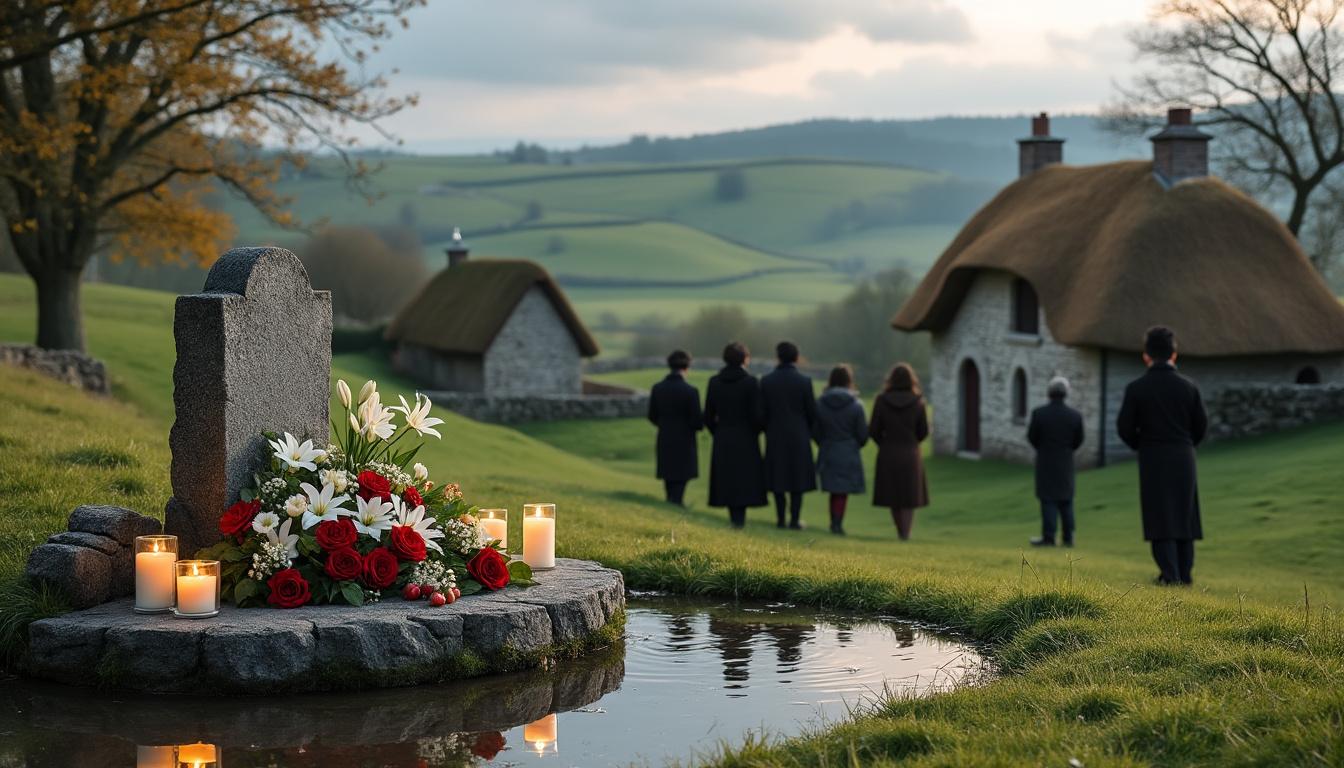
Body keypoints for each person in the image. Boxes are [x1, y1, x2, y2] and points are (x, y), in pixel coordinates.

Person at [1116, 325, 1208, 586]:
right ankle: (1185, 574)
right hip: (1184, 455)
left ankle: (1169, 574)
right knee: (1184, 514)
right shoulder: (1189, 387)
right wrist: (1187, 445)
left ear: (1146, 355)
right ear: (1174, 355)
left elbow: (1124, 427)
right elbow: (1201, 426)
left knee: (1160, 515)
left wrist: (1140, 444)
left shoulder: (1137, 388)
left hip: (1153, 456)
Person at [703, 341, 767, 528]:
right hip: (746, 436)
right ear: (745, 359)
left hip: (723, 435)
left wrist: (718, 431)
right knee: (744, 479)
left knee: (727, 478)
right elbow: (757, 415)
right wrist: (756, 431)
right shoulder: (751, 382)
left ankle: (733, 518)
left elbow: (708, 415)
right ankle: (740, 519)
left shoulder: (714, 382)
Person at [760, 341, 818, 529]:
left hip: (775, 434)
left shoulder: (767, 381)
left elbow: (762, 413)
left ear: (778, 357)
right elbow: (812, 413)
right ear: (796, 357)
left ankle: (780, 519)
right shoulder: (805, 382)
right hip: (799, 435)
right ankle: (794, 519)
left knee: (778, 478)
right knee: (797, 479)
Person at [869, 363, 929, 540]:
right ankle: (906, 533)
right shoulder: (918, 402)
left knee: (893, 494)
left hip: (888, 451)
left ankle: (899, 530)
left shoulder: (881, 400)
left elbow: (873, 430)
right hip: (911, 452)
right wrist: (912, 442)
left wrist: (884, 443)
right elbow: (923, 431)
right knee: (909, 497)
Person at [1026, 376, 1084, 547]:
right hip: (1066, 461)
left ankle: (1049, 537)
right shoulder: (1075, 416)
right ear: (1066, 393)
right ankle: (1068, 537)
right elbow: (1078, 440)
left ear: (1049, 393)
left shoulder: (1039, 414)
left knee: (1048, 499)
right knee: (1066, 499)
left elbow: (1032, 437)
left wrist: (1044, 448)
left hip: (1045, 461)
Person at [815, 364, 867, 535]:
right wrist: (853, 444)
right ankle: (837, 523)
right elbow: (862, 434)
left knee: (833, 489)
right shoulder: (856, 405)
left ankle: (834, 522)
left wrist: (823, 442)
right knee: (842, 492)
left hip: (828, 448)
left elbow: (815, 430)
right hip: (848, 450)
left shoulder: (821, 403)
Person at [648, 349, 702, 506]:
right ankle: (677, 502)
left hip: (665, 435)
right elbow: (696, 421)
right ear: (687, 367)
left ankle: (670, 500)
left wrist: (664, 425)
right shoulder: (691, 391)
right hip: (685, 438)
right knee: (682, 472)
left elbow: (652, 415)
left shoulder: (658, 388)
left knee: (668, 471)